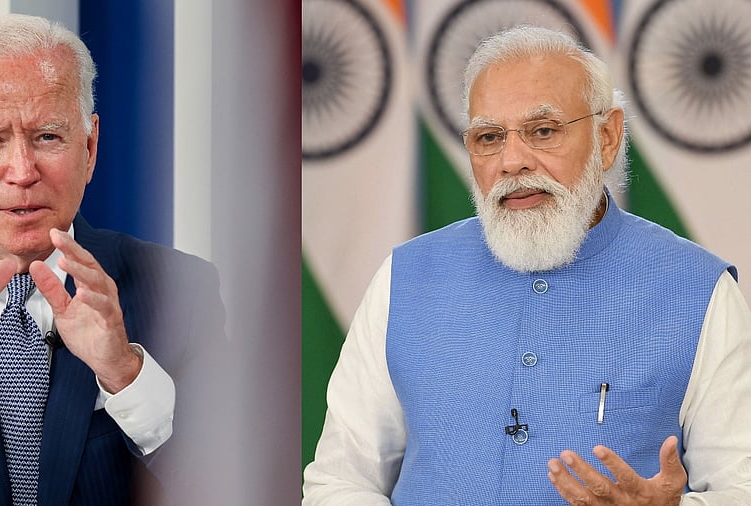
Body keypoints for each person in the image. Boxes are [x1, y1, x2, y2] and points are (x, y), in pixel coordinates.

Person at [302, 25, 751, 504]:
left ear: (607, 136)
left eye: (543, 130)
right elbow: (341, 479)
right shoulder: (406, 277)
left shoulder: (699, 289)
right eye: (489, 137)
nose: (512, 161)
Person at [0, 13, 226, 505]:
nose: (23, 172)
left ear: (89, 147)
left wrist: (125, 375)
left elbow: (234, 484)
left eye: (48, 136)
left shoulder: (181, 289)